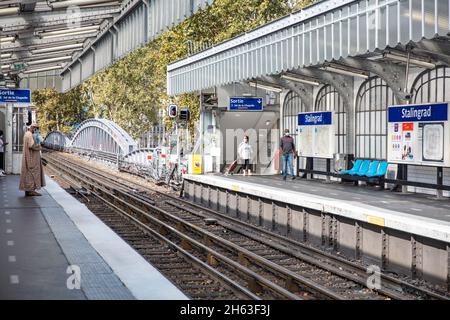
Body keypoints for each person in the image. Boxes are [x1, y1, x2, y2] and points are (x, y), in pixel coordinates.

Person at [19, 124, 46, 196]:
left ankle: (28, 190)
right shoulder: (29, 134)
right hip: (32, 157)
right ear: (33, 128)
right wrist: (40, 145)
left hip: (29, 156)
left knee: (28, 173)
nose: (37, 130)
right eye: (36, 129)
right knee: (33, 173)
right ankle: (31, 190)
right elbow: (32, 145)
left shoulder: (27, 134)